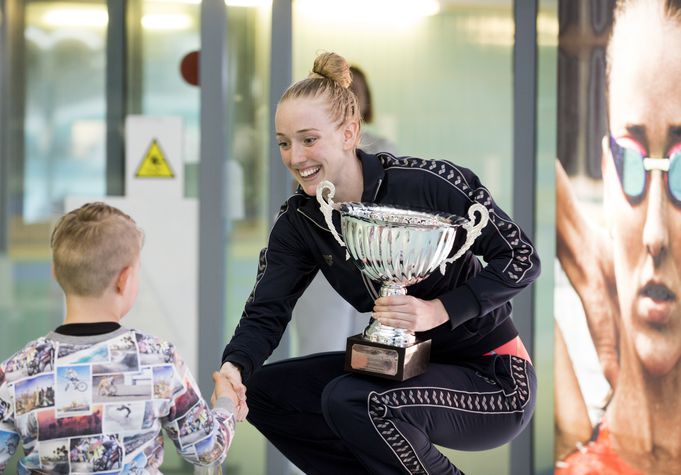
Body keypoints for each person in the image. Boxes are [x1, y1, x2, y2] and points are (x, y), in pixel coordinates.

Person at [217, 52, 540, 474]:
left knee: (351, 400)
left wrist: (438, 311)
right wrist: (234, 368)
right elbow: (266, 310)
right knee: (267, 392)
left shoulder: (426, 184)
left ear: (350, 133)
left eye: (309, 139)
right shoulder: (301, 221)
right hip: (398, 368)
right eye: (283, 142)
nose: (295, 157)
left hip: (493, 378)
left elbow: (521, 257)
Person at [0, 202, 237, 473]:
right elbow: (208, 450)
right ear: (124, 279)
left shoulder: (16, 373)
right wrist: (227, 404)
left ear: (55, 274)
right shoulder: (160, 361)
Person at [555, 1, 681, 473]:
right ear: (608, 175)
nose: (654, 234)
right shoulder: (567, 438)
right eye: (631, 162)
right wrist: (587, 267)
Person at [291, 64, 396, 356]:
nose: (350, 98)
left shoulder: (386, 149)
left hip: (374, 261)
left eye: (356, 91)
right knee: (321, 347)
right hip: (324, 258)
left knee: (370, 350)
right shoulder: (309, 144)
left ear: (367, 101)